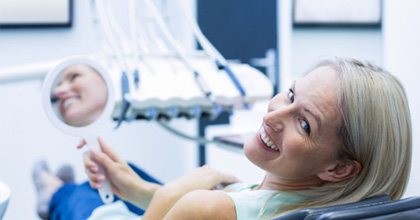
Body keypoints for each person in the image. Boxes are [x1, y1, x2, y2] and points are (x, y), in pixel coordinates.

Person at [33, 57, 412, 219]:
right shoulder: (302, 202)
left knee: (80, 202)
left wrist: (169, 194)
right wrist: (138, 191)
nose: (275, 113)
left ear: (340, 167)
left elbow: (197, 208)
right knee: (127, 173)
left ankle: (52, 191)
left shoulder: (207, 208)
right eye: (291, 95)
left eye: (305, 124)